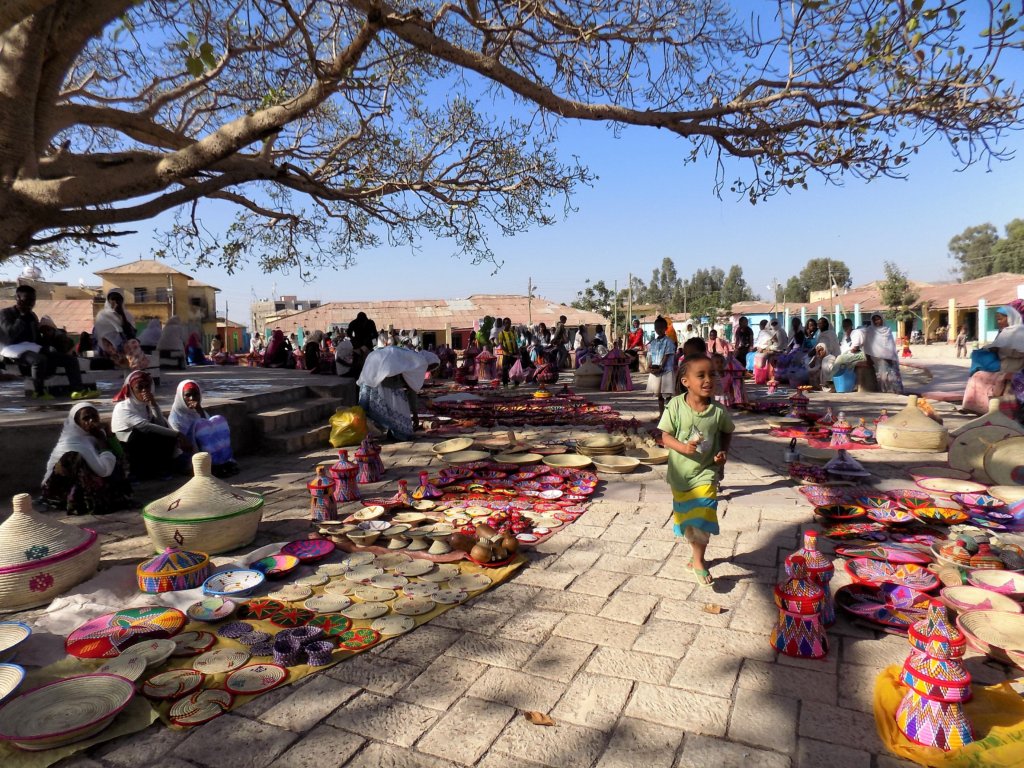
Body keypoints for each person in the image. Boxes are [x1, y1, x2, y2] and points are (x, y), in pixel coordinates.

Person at [658, 354, 734, 587]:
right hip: (681, 476)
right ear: (685, 381)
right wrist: (683, 447)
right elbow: (664, 436)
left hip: (706, 473)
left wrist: (722, 453)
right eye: (700, 375)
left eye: (712, 374)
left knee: (703, 514)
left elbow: (727, 432)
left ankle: (699, 561)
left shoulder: (719, 412)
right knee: (688, 521)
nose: (708, 380)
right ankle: (695, 555)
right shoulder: (675, 406)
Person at [1, 286, 92, 399]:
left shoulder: (32, 315)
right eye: (27, 300)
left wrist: (48, 342)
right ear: (18, 298)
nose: (30, 303)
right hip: (13, 351)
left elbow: (35, 338)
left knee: (69, 360)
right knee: (39, 360)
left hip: (32, 348)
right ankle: (38, 392)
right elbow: (10, 336)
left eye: (33, 300)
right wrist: (22, 317)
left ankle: (77, 390)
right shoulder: (5, 314)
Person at [40, 403, 133, 514]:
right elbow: (104, 471)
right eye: (86, 418)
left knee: (116, 456)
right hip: (60, 491)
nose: (91, 421)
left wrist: (109, 434)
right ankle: (87, 502)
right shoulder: (72, 441)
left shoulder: (95, 435)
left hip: (91, 476)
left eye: (94, 417)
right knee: (76, 457)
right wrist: (102, 441)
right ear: (76, 423)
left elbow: (120, 454)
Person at [112, 370, 189, 480]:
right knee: (140, 434)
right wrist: (178, 434)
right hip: (128, 446)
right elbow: (144, 426)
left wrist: (153, 404)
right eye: (140, 387)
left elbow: (160, 424)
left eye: (147, 386)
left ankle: (160, 469)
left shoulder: (146, 406)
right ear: (131, 389)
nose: (144, 391)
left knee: (165, 432)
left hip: (145, 441)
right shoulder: (123, 407)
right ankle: (137, 472)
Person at [358, 346, 433, 440]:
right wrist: (414, 414)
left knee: (392, 404)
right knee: (399, 410)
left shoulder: (412, 357)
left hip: (374, 362)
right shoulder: (419, 364)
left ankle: (389, 430)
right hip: (382, 370)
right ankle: (397, 433)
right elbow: (412, 390)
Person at [962, 300, 1024, 413]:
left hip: (1014, 367)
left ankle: (992, 409)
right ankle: (974, 407)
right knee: (977, 375)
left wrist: (1002, 350)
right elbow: (997, 346)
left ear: (1010, 318)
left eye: (1001, 319)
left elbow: (1019, 352)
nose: (998, 322)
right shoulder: (1004, 332)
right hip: (1002, 365)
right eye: (997, 319)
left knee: (986, 378)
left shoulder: (1020, 333)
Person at [169, 379, 239, 477]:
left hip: (202, 453)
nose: (192, 398)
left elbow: (211, 432)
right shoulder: (176, 418)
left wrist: (199, 410)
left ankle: (223, 461)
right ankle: (213, 465)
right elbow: (183, 445)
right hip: (187, 458)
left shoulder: (200, 412)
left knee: (219, 420)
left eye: (195, 394)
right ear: (181, 397)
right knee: (201, 425)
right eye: (188, 395)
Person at [93, 289, 137, 360]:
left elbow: (131, 335)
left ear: (122, 301)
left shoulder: (128, 315)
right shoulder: (102, 315)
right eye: (113, 299)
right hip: (105, 352)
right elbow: (98, 335)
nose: (116, 302)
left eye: (118, 299)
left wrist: (121, 314)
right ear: (108, 300)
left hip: (125, 353)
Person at [646, 317, 677, 416]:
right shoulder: (653, 343)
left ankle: (668, 416)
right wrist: (649, 366)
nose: (659, 330)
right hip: (656, 372)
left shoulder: (669, 342)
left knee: (667, 395)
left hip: (666, 371)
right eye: (657, 328)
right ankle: (661, 415)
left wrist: (661, 367)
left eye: (661, 327)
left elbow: (667, 356)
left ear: (665, 328)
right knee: (659, 394)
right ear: (654, 328)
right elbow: (650, 356)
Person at [865, 313, 903, 394]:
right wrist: (868, 358)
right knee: (883, 376)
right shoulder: (870, 330)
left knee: (893, 375)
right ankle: (885, 391)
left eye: (878, 319)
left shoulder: (887, 329)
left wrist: (890, 356)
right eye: (874, 320)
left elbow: (891, 344)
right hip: (877, 358)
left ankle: (896, 391)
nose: (876, 321)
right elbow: (867, 346)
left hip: (890, 357)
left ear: (882, 319)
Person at [497, 317, 518, 386]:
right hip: (506, 355)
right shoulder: (501, 334)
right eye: (507, 323)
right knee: (505, 370)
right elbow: (501, 345)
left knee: (515, 369)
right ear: (504, 324)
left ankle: (516, 383)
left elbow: (515, 342)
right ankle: (505, 384)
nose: (508, 324)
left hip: (514, 354)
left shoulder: (513, 332)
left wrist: (517, 352)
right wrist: (508, 353)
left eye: (509, 323)